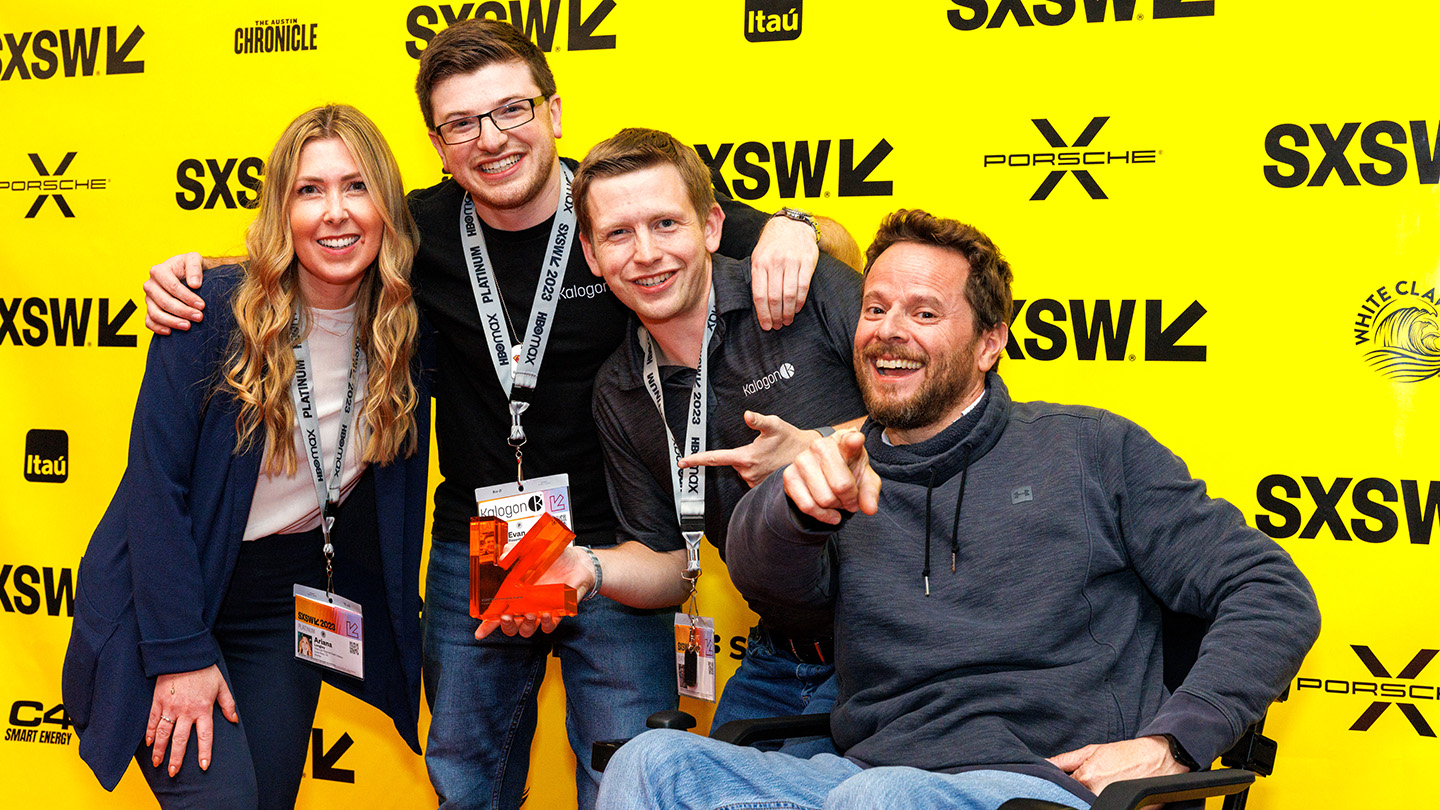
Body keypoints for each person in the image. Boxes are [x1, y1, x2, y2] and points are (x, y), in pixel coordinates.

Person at [139, 20, 855, 810]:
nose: (491, 138)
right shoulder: (414, 231)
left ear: (553, 111)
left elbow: (818, 238)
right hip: (471, 549)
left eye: (511, 110)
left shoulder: (623, 211)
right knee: (464, 783)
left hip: (618, 548)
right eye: (461, 124)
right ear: (439, 146)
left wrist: (795, 227)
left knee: (628, 779)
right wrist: (199, 275)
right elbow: (315, 242)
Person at [596, 209, 1322, 810]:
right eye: (875, 308)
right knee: (654, 761)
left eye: (924, 312)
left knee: (881, 800)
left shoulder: (1091, 449)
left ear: (989, 342)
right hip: (861, 780)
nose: (888, 329)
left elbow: (1271, 593)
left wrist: (1174, 742)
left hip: (1047, 786)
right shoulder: (841, 460)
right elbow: (765, 576)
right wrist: (798, 507)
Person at [62, 104, 429, 810]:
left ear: (387, 205)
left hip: (281, 604)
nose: (335, 213)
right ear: (279, 209)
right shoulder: (207, 312)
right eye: (309, 191)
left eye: (356, 187)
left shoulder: (407, 328)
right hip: (166, 599)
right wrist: (179, 656)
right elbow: (156, 488)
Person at [480, 128, 866, 748]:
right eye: (618, 235)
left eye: (665, 225)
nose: (645, 254)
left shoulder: (803, 291)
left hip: (899, 644)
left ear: (710, 227)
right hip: (781, 657)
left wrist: (816, 445)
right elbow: (667, 562)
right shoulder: (621, 389)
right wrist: (587, 566)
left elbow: (951, 414)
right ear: (591, 253)